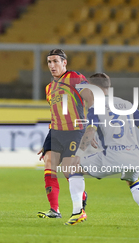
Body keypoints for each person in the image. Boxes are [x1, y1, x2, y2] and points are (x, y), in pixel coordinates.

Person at [65, 73, 139, 227]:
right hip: (135, 156)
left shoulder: (95, 107)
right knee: (132, 181)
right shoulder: (126, 104)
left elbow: (90, 131)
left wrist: (78, 154)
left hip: (113, 155)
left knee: (73, 168)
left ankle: (77, 212)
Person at [37, 49, 93, 219]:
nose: (52, 65)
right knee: (49, 165)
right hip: (55, 132)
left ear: (64, 62)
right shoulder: (49, 88)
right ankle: (55, 210)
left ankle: (81, 198)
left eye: (55, 61)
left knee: (68, 170)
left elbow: (91, 99)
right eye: (49, 62)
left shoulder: (74, 77)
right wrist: (47, 140)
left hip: (75, 131)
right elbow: (55, 112)